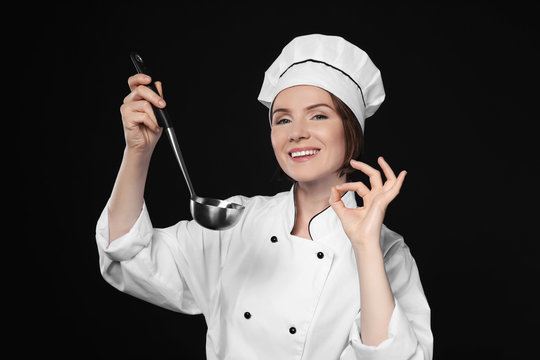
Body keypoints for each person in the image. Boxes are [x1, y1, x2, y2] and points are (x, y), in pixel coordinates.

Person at [96, 34, 433, 359]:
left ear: (351, 129)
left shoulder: (386, 252)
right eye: (282, 119)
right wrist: (137, 152)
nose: (297, 132)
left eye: (318, 115)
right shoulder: (237, 220)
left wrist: (364, 246)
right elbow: (127, 254)